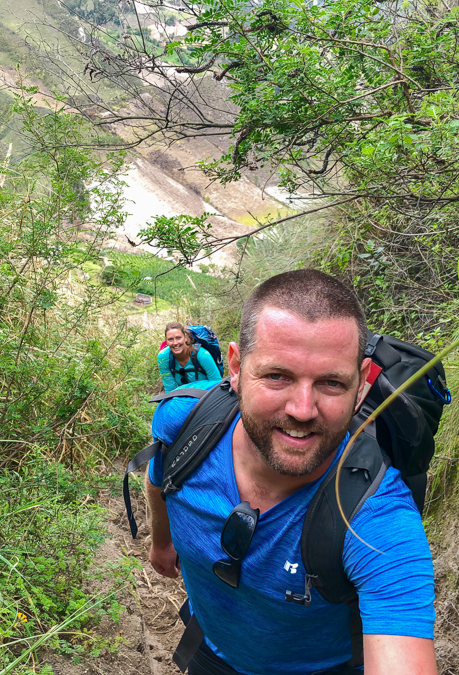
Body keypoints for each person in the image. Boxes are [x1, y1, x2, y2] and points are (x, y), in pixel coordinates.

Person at [146, 270, 436, 675]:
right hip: (207, 651)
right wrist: (162, 543)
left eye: (332, 383)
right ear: (234, 367)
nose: (302, 409)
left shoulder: (375, 516)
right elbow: (159, 477)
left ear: (363, 385)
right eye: (277, 376)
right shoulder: (184, 424)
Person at [159, 322, 222, 392]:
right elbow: (170, 390)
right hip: (184, 398)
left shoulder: (202, 355)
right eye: (170, 339)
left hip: (206, 395)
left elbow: (217, 384)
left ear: (185, 337)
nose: (175, 343)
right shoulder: (163, 357)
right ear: (166, 341)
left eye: (178, 338)